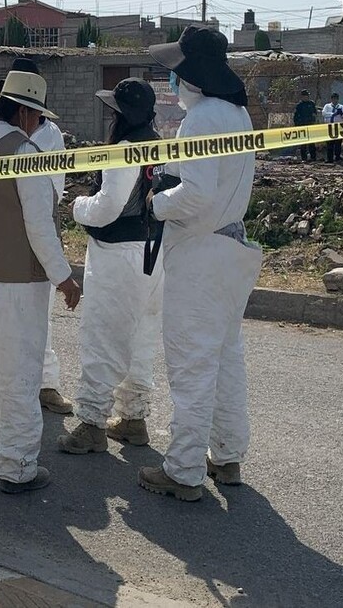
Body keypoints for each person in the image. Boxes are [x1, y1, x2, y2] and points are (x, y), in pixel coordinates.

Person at [140, 26, 263, 502]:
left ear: (191, 73)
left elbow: (195, 195)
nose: (172, 81)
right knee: (225, 358)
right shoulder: (237, 114)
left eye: (176, 72)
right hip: (232, 249)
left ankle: (183, 470)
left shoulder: (200, 120)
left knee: (191, 364)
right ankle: (226, 456)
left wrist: (157, 203)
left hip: (200, 254)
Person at [0, 69, 81, 493]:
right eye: (39, 117)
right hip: (18, 281)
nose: (40, 124)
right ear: (27, 113)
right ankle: (18, 465)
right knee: (21, 376)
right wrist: (65, 278)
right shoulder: (24, 153)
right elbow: (40, 227)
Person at [57, 78, 165, 456]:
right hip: (154, 250)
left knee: (103, 337)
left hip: (118, 255)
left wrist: (77, 207)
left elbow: (107, 208)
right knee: (141, 336)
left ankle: (91, 424)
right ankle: (134, 419)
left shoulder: (123, 149)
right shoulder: (160, 143)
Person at [14, 59, 74, 416]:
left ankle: (46, 385)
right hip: (5, 235)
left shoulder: (50, 136)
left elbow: (54, 190)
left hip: (38, 230)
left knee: (41, 316)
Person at [322, 92, 343, 163]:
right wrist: (333, 114)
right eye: (333, 99)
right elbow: (324, 114)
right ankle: (329, 158)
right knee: (329, 143)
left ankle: (337, 157)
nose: (335, 100)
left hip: (338, 127)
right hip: (329, 127)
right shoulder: (327, 106)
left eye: (336, 99)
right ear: (331, 99)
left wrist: (341, 113)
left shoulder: (341, 107)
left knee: (338, 143)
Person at [293, 90, 319, 162]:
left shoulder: (311, 104)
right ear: (302, 97)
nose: (306, 97)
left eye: (307, 96)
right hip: (302, 126)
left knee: (312, 143)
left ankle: (313, 157)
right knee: (303, 143)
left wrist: (314, 120)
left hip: (310, 125)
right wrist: (297, 126)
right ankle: (304, 158)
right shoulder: (299, 105)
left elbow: (315, 113)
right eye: (305, 96)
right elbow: (295, 117)